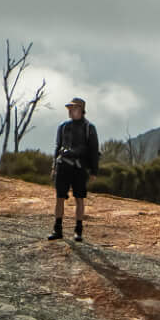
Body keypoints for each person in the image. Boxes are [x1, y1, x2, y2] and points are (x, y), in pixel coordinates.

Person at [50, 98, 101, 242]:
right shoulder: (63, 126)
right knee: (59, 197)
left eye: (73, 108)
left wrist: (94, 171)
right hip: (63, 166)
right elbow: (57, 146)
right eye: (69, 109)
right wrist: (54, 166)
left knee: (79, 198)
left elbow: (93, 150)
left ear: (81, 110)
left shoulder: (89, 127)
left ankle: (78, 231)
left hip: (80, 168)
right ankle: (57, 229)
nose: (70, 111)